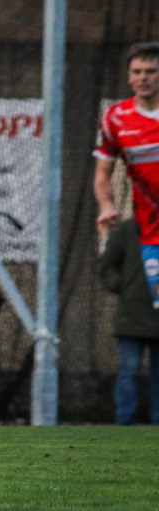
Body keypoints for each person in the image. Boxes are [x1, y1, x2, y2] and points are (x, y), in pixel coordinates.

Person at [94, 42, 159, 262]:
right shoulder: (116, 118)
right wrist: (106, 206)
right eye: (137, 72)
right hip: (150, 232)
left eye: (150, 71)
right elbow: (102, 174)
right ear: (129, 77)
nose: (143, 78)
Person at [99, 219, 159, 425]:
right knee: (128, 370)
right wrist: (123, 286)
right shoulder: (128, 230)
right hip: (131, 317)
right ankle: (125, 420)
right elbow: (107, 265)